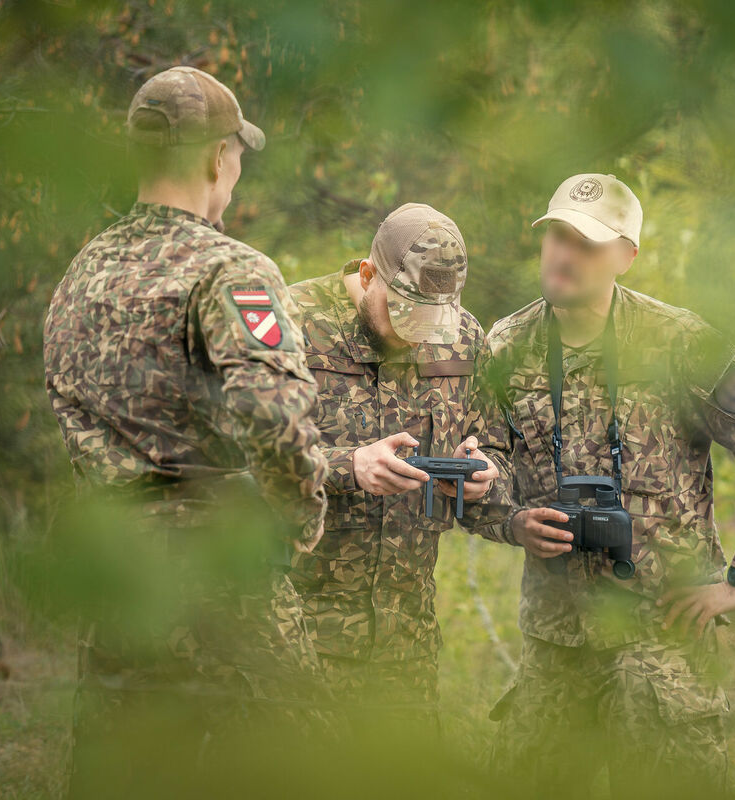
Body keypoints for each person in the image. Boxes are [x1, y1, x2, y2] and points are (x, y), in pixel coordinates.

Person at [484, 173, 735, 796]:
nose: (563, 254)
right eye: (557, 235)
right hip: (554, 644)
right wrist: (511, 521)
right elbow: (482, 472)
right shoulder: (506, 347)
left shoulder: (681, 345)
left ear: (625, 256)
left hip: (663, 641)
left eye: (585, 243)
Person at [43, 66, 329, 797]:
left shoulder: (83, 273)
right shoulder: (230, 269)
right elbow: (271, 411)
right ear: (216, 158)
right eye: (237, 157)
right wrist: (300, 513)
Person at [287, 202, 510, 737]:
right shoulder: (289, 324)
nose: (416, 335)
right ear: (368, 275)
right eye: (404, 313)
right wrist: (345, 465)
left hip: (405, 646)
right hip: (296, 644)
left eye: (431, 320)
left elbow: (497, 441)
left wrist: (485, 471)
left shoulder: (463, 338)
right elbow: (232, 460)